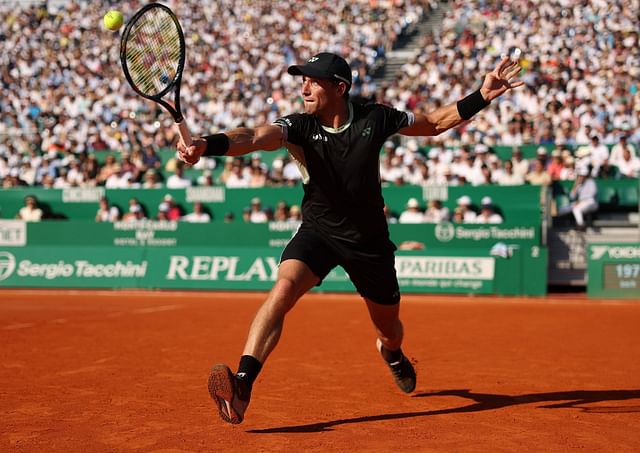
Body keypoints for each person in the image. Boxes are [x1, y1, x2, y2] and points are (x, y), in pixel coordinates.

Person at [176, 51, 523, 424]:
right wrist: (207, 144)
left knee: (388, 329)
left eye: (312, 80)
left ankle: (392, 353)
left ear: (339, 88)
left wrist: (482, 95)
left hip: (369, 242)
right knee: (283, 289)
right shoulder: (298, 126)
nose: (303, 87)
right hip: (319, 232)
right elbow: (254, 136)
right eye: (301, 80)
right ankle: (242, 384)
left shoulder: (377, 116)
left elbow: (435, 123)